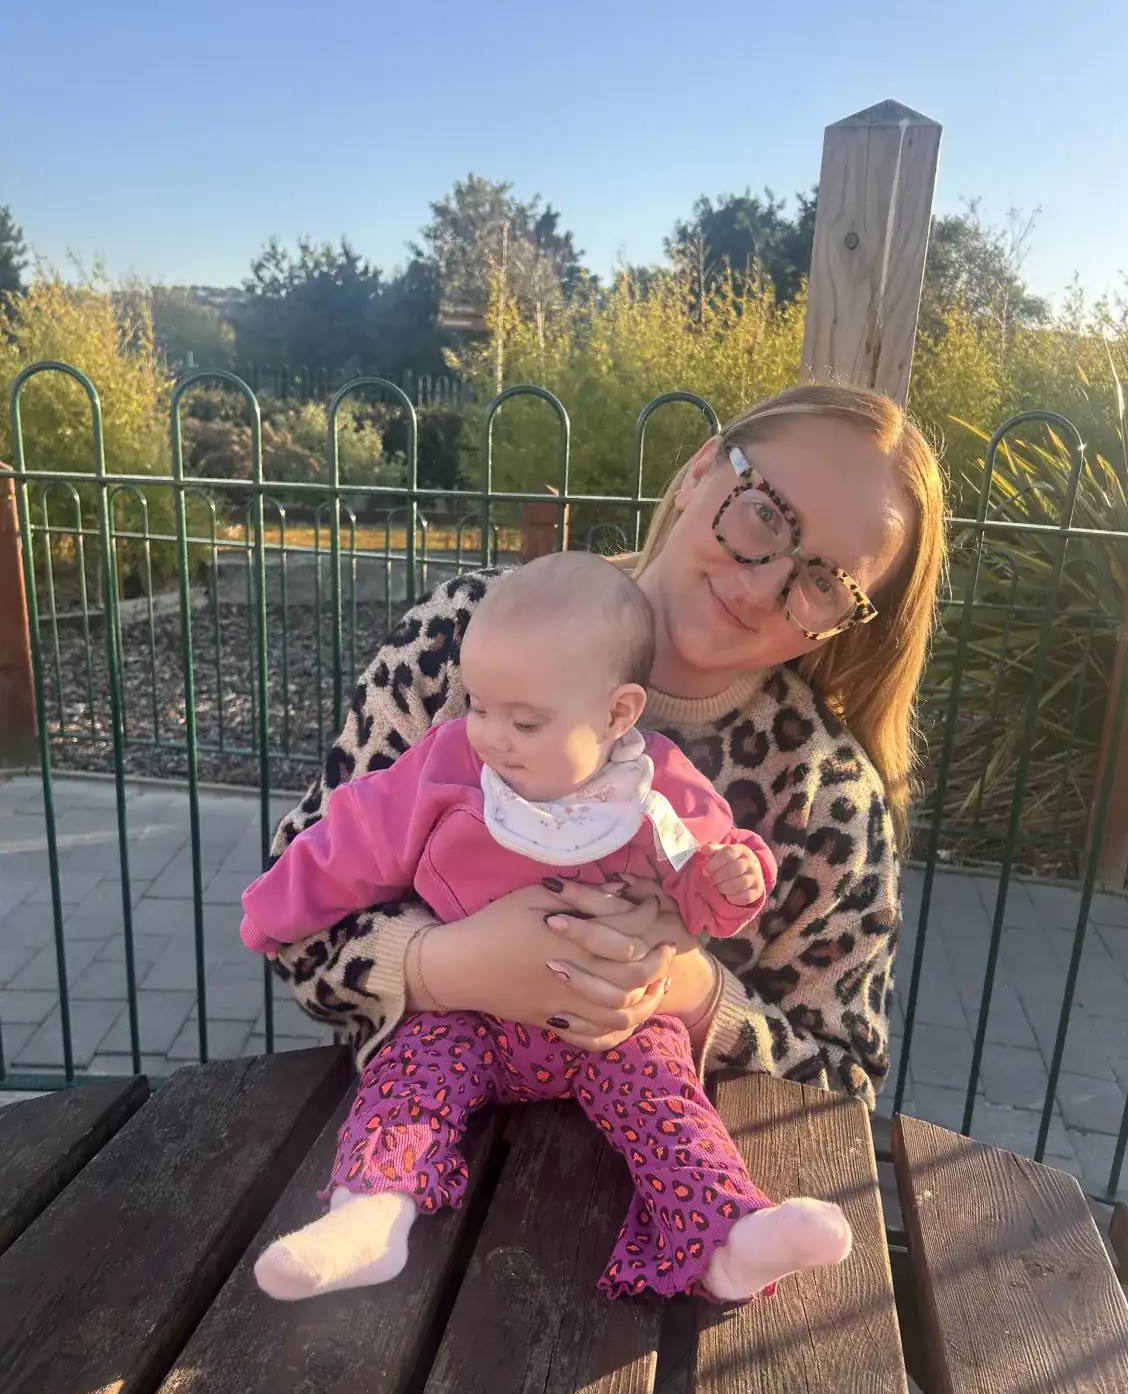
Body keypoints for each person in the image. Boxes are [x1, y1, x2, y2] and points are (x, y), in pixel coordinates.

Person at [269, 382, 945, 1121]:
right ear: (700, 470)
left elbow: (843, 1091)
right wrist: (447, 967)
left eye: (823, 581)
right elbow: (292, 918)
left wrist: (690, 993)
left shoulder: (828, 793)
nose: (761, 587)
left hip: (667, 1180)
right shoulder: (463, 637)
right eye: (766, 514)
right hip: (415, 1148)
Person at [244, 554, 850, 1303]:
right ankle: (369, 1212)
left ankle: (730, 1238)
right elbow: (354, 841)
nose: (491, 736)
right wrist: (272, 910)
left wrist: (730, 882)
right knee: (413, 1070)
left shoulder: (655, 788)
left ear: (617, 714)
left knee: (667, 1098)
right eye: (478, 705)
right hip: (473, 1016)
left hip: (615, 1030)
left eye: (525, 721)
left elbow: (701, 890)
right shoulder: (449, 765)